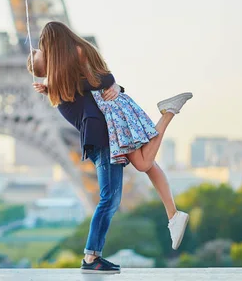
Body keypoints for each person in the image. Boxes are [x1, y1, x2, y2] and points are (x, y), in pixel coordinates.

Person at [27, 21, 191, 272]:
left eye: (42, 50)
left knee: (111, 197)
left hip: (104, 135)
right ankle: (168, 112)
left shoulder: (65, 79)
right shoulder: (61, 83)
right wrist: (50, 83)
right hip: (103, 135)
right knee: (142, 167)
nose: (40, 53)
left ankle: (91, 257)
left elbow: (100, 81)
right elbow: (93, 84)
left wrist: (111, 85)